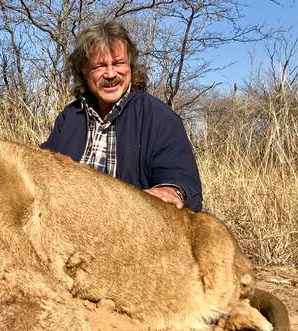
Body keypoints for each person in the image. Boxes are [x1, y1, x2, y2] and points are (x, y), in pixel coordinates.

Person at [41, 21, 202, 211]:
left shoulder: (161, 118)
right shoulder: (70, 117)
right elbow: (43, 167)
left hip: (129, 229)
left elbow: (182, 181)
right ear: (84, 72)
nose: (110, 74)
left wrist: (171, 191)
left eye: (118, 63)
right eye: (99, 66)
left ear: (130, 66)